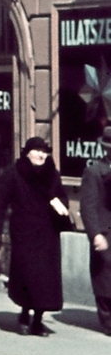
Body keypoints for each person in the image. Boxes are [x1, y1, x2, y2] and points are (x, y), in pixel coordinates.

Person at [0, 136, 70, 336]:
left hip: (47, 231)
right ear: (27, 152)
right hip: (24, 232)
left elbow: (61, 196)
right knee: (27, 275)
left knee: (45, 278)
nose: (41, 155)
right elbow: (0, 203)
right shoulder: (13, 173)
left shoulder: (52, 174)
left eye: (44, 151)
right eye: (37, 151)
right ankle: (25, 313)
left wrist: (59, 204)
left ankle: (38, 319)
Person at [79, 124, 111, 335]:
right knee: (105, 280)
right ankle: (108, 321)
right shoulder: (94, 172)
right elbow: (87, 207)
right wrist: (95, 234)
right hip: (105, 232)